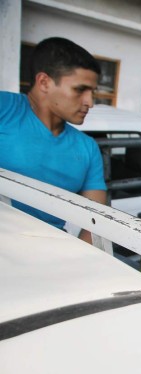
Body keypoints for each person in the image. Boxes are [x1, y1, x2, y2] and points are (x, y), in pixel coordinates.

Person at [0, 37, 106, 244]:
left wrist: (74, 260)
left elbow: (97, 221)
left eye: (92, 92)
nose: (90, 102)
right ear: (44, 82)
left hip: (47, 253)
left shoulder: (87, 148)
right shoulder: (4, 108)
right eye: (80, 90)